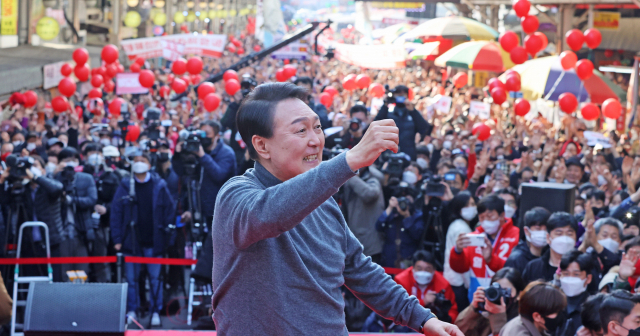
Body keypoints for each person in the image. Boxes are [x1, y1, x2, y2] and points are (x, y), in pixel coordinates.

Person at [211, 83, 462, 335]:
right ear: (262, 146)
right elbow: (268, 215)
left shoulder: (323, 199)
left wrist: (423, 319)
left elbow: (358, 268)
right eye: (300, 130)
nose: (315, 141)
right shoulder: (236, 195)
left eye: (317, 127)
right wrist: (349, 160)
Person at [110, 151, 175, 327]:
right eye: (136, 160)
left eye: (143, 160)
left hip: (154, 241)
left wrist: (168, 236)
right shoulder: (125, 186)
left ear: (149, 164)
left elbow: (170, 211)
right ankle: (133, 310)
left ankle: (155, 310)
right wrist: (117, 238)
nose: (139, 163)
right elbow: (116, 213)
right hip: (131, 241)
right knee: (131, 279)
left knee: (155, 279)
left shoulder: (159, 185)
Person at [450, 194, 520, 303]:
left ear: (502, 215)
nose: (485, 221)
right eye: (481, 217)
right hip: (477, 299)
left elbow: (515, 270)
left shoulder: (516, 235)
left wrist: (490, 259)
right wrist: (457, 251)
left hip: (505, 299)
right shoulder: (474, 237)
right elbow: (460, 268)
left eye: (489, 216)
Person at [172, 120, 236, 225]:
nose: (204, 137)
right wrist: (178, 155)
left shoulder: (226, 153)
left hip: (221, 211)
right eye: (201, 133)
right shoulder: (197, 149)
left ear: (217, 136)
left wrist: (202, 156)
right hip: (199, 209)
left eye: (207, 134)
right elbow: (182, 172)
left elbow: (219, 175)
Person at [54, 147, 103, 281]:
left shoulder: (86, 178)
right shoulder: (55, 178)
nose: (70, 163)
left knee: (82, 271)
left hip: (81, 231)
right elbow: (47, 199)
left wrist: (71, 200)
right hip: (62, 232)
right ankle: (66, 300)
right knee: (65, 272)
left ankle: (81, 300)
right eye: (67, 160)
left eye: (74, 159)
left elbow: (92, 199)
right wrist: (54, 175)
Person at [456, 267, 525, 336]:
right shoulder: (485, 316)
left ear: (519, 294)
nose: (500, 295)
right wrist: (473, 309)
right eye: (496, 291)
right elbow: (458, 332)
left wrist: (498, 316)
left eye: (505, 291)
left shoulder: (522, 322)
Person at [394, 250, 459, 322]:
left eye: (427, 269)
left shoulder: (443, 284)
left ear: (434, 269)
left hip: (434, 323)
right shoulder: (401, 281)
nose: (423, 272)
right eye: (419, 269)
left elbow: (453, 310)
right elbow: (397, 307)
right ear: (413, 268)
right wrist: (423, 302)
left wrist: (447, 318)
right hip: (406, 323)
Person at [374, 84, 432, 160]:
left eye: (403, 94)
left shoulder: (412, 114)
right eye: (398, 94)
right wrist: (385, 105)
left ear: (407, 97)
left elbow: (424, 128)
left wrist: (413, 111)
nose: (400, 96)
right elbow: (375, 125)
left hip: (408, 154)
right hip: (389, 154)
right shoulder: (388, 113)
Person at [342, 163, 385, 263]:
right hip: (353, 239)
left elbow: (369, 194)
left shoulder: (373, 179)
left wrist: (349, 175)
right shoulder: (350, 183)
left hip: (369, 243)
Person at [522, 212, 579, 284]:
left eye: (569, 234)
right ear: (548, 238)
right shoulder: (533, 267)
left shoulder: (583, 266)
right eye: (559, 234)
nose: (565, 239)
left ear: (575, 238)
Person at [444, 191, 476, 310]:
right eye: (467, 205)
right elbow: (465, 258)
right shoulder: (461, 229)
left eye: (473, 204)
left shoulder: (458, 224)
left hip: (455, 279)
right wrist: (469, 284)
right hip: (459, 282)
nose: (471, 208)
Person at [499, 281, 567, 336]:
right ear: (537, 316)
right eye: (556, 312)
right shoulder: (517, 333)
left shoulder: (535, 328)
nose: (560, 315)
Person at [375, 193, 424, 268]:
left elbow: (417, 235)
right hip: (389, 260)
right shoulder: (392, 214)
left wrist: (407, 217)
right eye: (401, 200)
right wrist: (390, 207)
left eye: (407, 200)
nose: (404, 203)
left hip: (408, 259)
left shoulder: (417, 216)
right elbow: (378, 226)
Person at [556, 250, 596, 336]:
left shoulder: (593, 309)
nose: (570, 279)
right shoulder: (552, 304)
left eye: (576, 274)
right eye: (566, 274)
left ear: (588, 278)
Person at [505, 207, 551, 274]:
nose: (543, 233)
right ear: (526, 231)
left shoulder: (549, 256)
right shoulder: (516, 260)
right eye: (538, 229)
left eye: (546, 229)